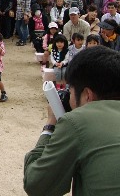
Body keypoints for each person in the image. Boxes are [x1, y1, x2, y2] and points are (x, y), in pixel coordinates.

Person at [24, 46, 120, 195]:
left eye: (71, 90)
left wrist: (50, 125)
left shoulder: (77, 122)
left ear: (88, 95)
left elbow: (36, 185)